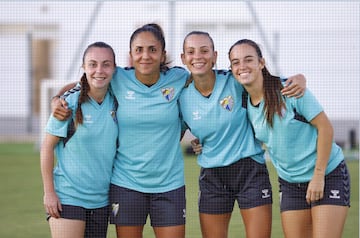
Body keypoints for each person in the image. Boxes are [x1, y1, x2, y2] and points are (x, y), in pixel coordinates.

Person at [51, 23, 188, 238]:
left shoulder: (180, 78)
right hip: (126, 184)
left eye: (152, 49)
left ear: (163, 55)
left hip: (169, 184)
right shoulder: (118, 77)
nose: (145, 56)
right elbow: (83, 82)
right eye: (139, 50)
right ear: (131, 54)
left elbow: (203, 92)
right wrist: (56, 99)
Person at [179, 31, 307, 238]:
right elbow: (176, 130)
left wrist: (299, 78)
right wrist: (197, 141)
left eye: (204, 51)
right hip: (213, 176)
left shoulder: (234, 81)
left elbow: (271, 82)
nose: (198, 57)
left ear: (214, 56)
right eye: (191, 52)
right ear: (184, 58)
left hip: (249, 170)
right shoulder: (182, 97)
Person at [228, 39, 350, 238]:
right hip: (291, 183)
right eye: (235, 62)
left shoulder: (289, 90)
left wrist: (318, 176)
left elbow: (325, 128)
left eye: (248, 60)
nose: (242, 66)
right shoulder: (243, 101)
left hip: (327, 175)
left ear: (261, 63)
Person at [40, 41, 118, 238]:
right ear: (83, 67)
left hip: (101, 201)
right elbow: (47, 148)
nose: (99, 70)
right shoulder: (69, 103)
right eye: (92, 64)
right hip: (68, 196)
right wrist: (49, 193)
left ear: (114, 68)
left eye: (106, 64)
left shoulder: (118, 99)